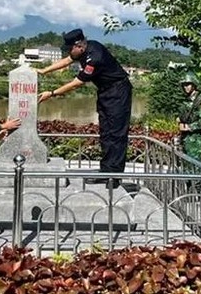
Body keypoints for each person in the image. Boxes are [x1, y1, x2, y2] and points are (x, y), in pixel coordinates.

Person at [38, 28, 132, 189]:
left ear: (80, 46)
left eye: (70, 49)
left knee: (116, 134)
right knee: (106, 133)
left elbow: (77, 83)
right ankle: (106, 171)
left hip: (118, 92)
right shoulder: (83, 50)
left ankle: (114, 176)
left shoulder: (95, 57)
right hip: (105, 92)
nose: (69, 52)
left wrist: (52, 93)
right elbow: (67, 60)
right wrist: (43, 71)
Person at [176, 71, 201, 162]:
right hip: (186, 138)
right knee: (186, 164)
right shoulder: (188, 100)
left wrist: (189, 127)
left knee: (194, 165)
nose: (185, 87)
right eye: (184, 85)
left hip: (195, 139)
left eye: (188, 84)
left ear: (194, 84)